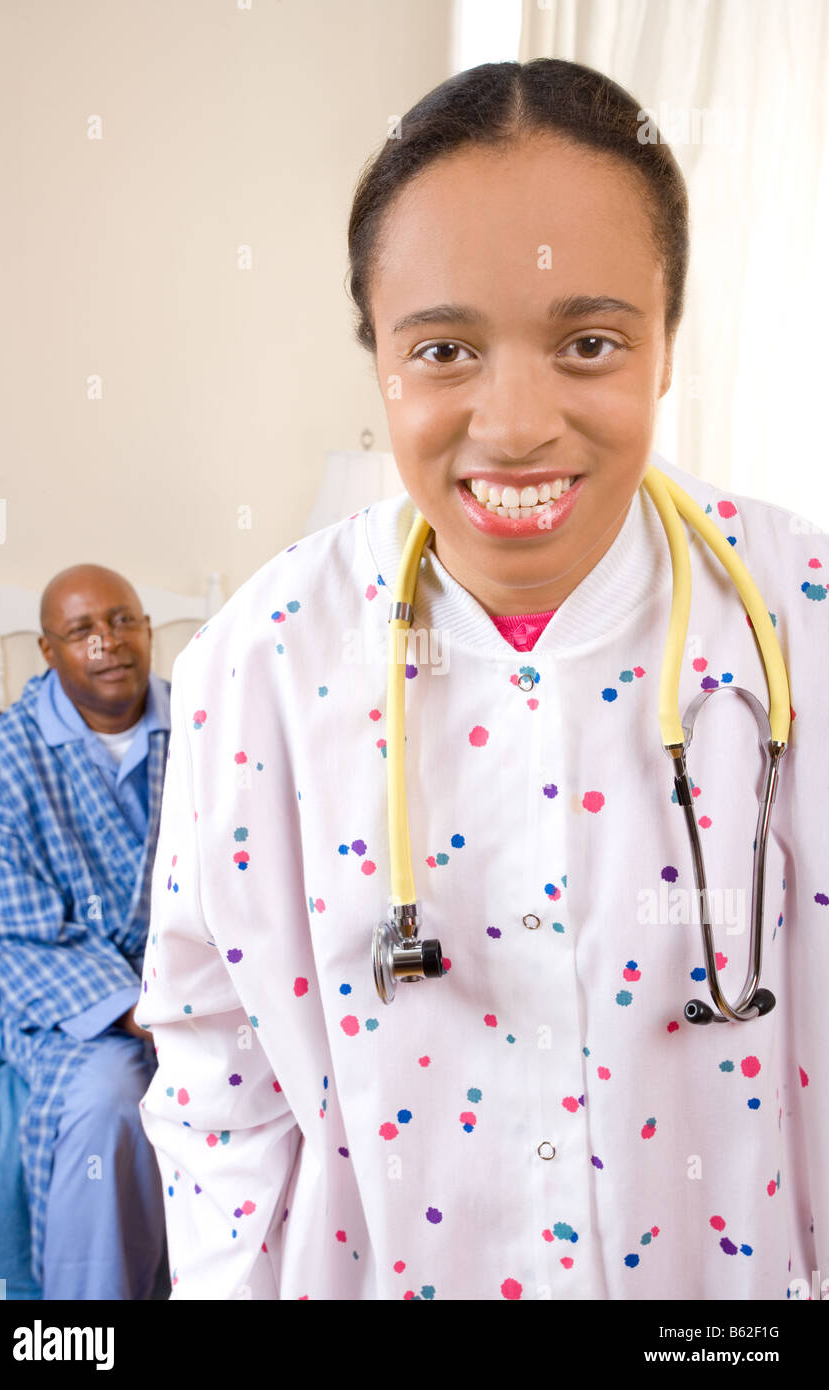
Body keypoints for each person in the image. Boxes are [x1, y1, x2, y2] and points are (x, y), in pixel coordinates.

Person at [136, 59, 828, 1300]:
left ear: (667, 342)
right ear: (378, 360)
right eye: (445, 347)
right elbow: (214, 1075)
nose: (513, 423)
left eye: (589, 341)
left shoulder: (798, 617)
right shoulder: (262, 661)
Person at [0, 564, 171, 1299]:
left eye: (123, 621)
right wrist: (142, 1013)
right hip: (58, 992)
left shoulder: (211, 730)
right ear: (47, 652)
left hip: (192, 975)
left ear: (148, 631)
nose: (107, 643)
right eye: (81, 631)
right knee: (111, 1095)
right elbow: (15, 931)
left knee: (286, 1078)